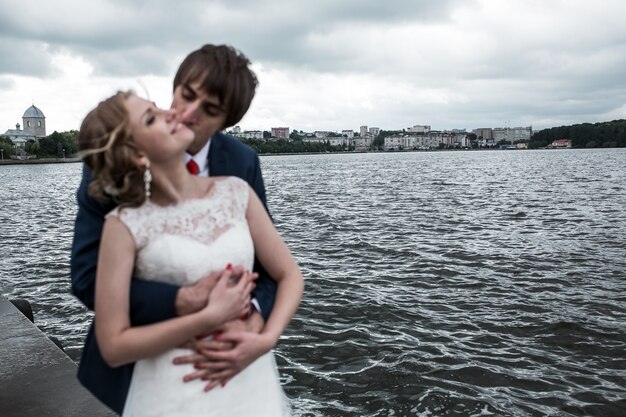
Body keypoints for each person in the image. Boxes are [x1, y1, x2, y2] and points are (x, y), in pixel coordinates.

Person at [70, 45, 282, 413]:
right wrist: (183, 302)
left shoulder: (241, 165)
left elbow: (271, 268)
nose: (186, 114)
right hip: (146, 370)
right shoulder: (114, 157)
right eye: (185, 95)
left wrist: (257, 323)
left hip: (237, 364)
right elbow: (87, 276)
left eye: (210, 110)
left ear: (226, 121)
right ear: (175, 85)